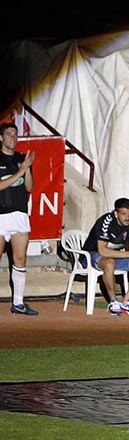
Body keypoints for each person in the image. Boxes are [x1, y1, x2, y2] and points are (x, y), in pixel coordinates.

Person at [81, 198, 129, 316]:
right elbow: (102, 250)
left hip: (116, 256)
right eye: (123, 214)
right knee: (109, 263)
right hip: (92, 256)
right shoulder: (106, 221)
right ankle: (113, 302)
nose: (127, 217)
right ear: (116, 213)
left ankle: (127, 301)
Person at [0, 122, 37, 315]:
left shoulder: (22, 159)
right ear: (1, 138)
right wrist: (20, 172)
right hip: (0, 216)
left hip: (19, 215)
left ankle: (18, 303)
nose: (13, 138)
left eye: (15, 134)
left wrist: (27, 168)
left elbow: (29, 187)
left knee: (20, 258)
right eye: (9, 134)